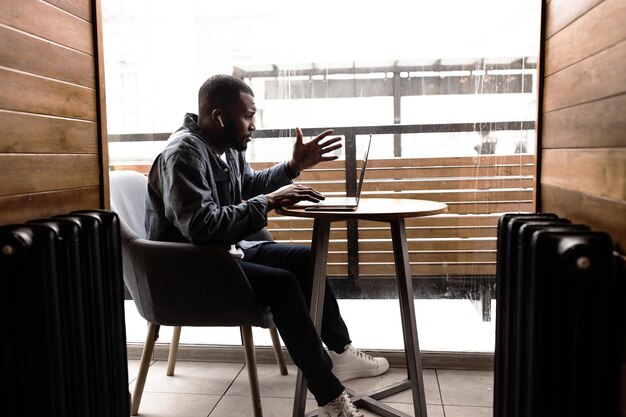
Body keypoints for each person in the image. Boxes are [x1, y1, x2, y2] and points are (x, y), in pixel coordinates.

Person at [145, 74, 389, 417]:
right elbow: (202, 227)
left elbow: (246, 186)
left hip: (223, 254)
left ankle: (340, 351)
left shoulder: (223, 148)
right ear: (219, 117)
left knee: (305, 259)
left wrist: (292, 167)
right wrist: (270, 201)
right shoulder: (183, 154)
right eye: (248, 115)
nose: (253, 125)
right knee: (284, 285)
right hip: (190, 270)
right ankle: (332, 399)